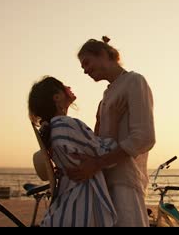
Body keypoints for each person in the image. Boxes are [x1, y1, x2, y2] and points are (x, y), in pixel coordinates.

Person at [67, 36, 156, 227]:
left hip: (124, 180)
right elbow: (101, 140)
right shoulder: (107, 95)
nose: (85, 70)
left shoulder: (134, 81)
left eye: (87, 63)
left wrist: (97, 163)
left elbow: (144, 138)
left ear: (103, 54)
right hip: (104, 182)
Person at [28, 76, 124, 227]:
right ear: (57, 97)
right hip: (80, 207)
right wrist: (116, 120)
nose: (69, 87)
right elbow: (106, 150)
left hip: (67, 203)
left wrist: (98, 122)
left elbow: (91, 147)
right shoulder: (66, 125)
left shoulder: (55, 129)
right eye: (64, 86)